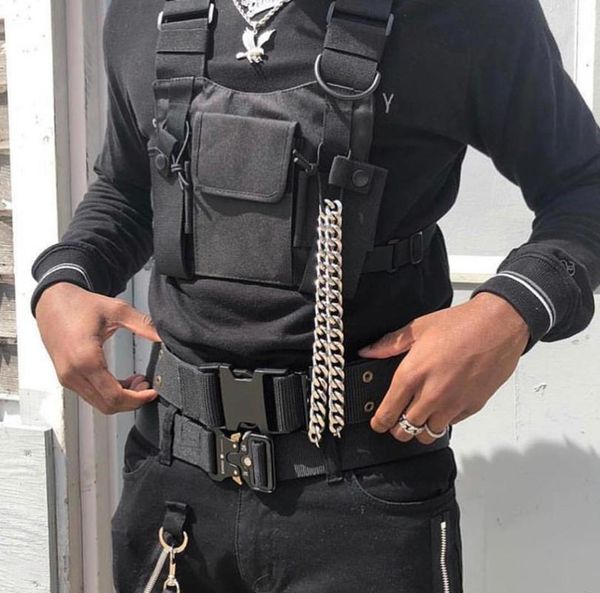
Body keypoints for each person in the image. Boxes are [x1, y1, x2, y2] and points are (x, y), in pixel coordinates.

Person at [30, 0, 600, 591]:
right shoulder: (139, 12)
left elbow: (584, 187)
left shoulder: (470, 16)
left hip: (367, 498)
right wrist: (64, 280)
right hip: (173, 490)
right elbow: (127, 190)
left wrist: (509, 312)